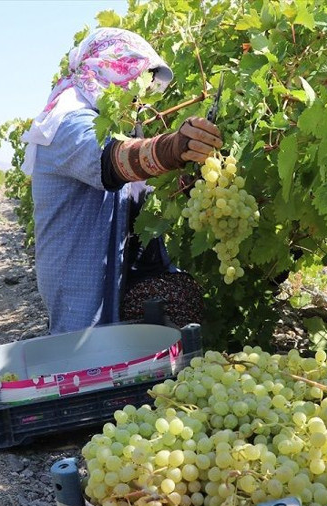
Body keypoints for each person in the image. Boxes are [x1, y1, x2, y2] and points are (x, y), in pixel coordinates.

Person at [21, 27, 222, 335]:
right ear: (107, 70)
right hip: (83, 288)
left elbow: (140, 189)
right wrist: (173, 148)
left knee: (178, 298)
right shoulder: (65, 124)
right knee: (88, 368)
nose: (141, 95)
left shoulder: (123, 128)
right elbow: (112, 161)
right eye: (134, 79)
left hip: (127, 275)